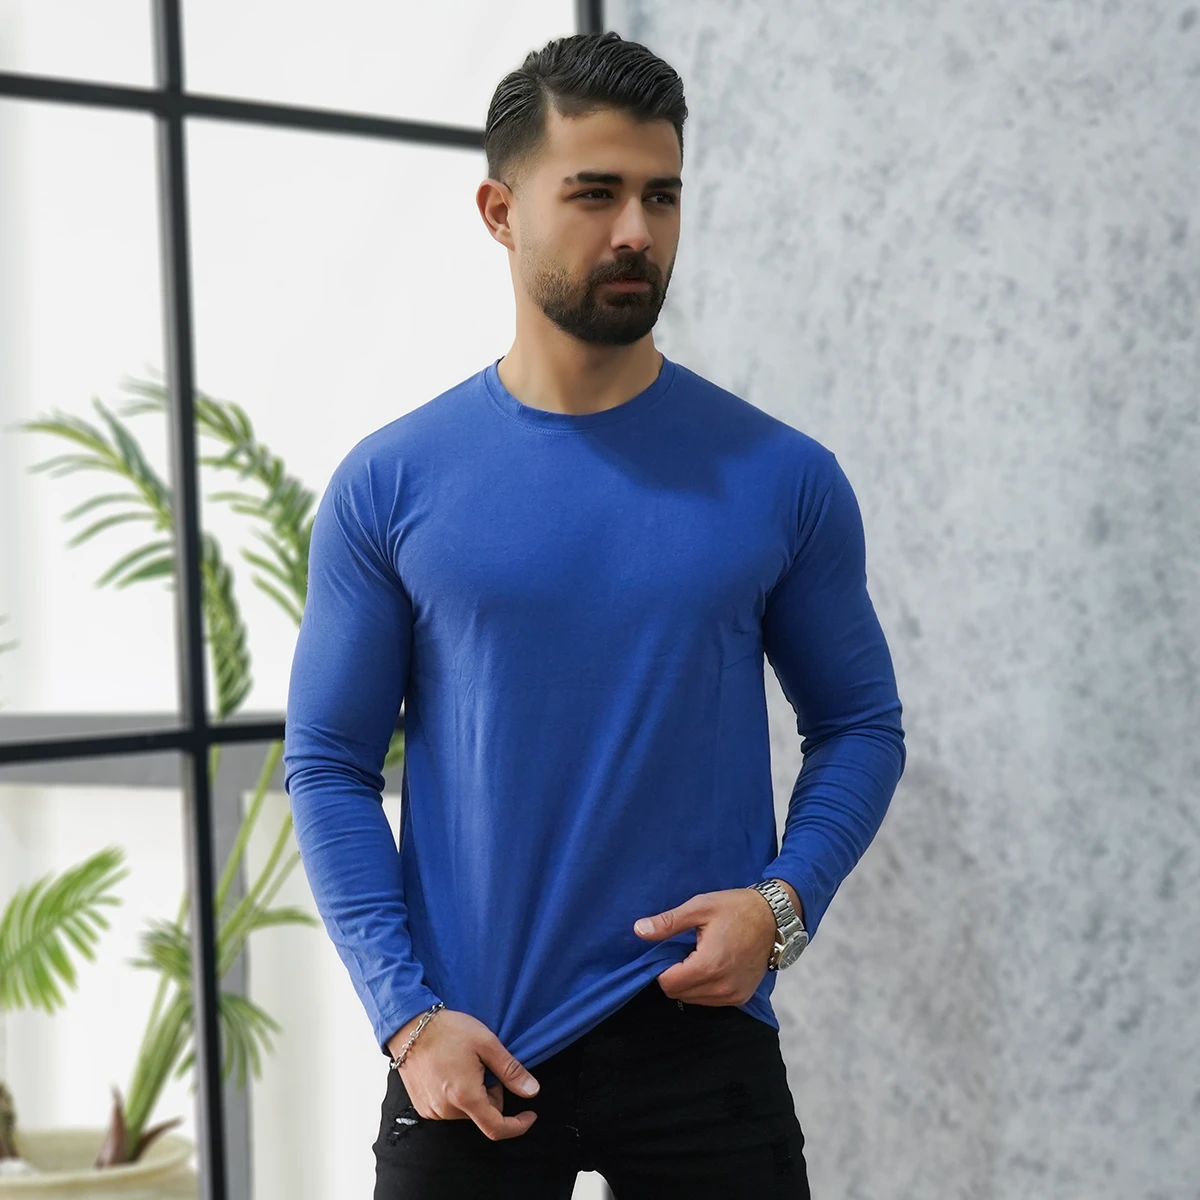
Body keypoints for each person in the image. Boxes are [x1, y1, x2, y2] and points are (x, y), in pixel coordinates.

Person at [283, 29, 906, 1200]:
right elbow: (326, 763)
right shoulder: (392, 483)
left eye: (661, 196)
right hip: (469, 1047)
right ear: (500, 211)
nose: (637, 230)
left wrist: (782, 906)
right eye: (595, 193)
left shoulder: (783, 477)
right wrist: (406, 1019)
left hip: (700, 1040)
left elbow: (861, 726)